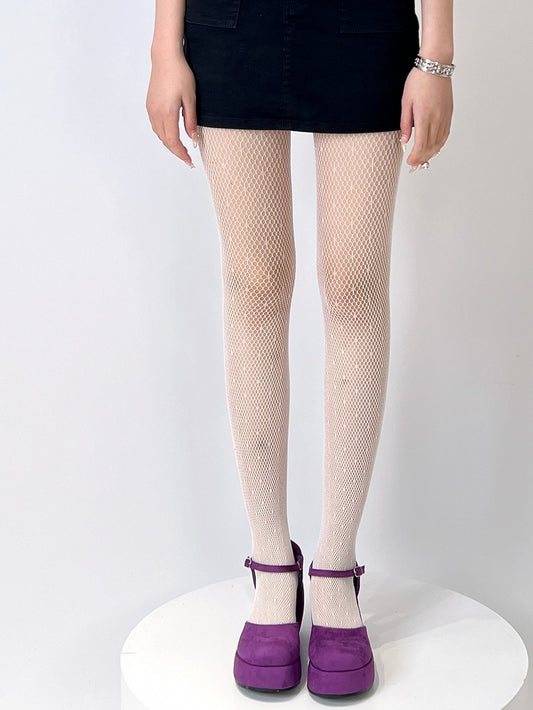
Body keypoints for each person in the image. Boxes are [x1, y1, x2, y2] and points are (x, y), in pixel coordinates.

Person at [146, 0, 454, 697]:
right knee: (255, 284)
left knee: (353, 283)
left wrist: (435, 56)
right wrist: (165, 48)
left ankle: (336, 569)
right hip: (231, 26)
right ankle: (271, 567)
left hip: (364, 25)